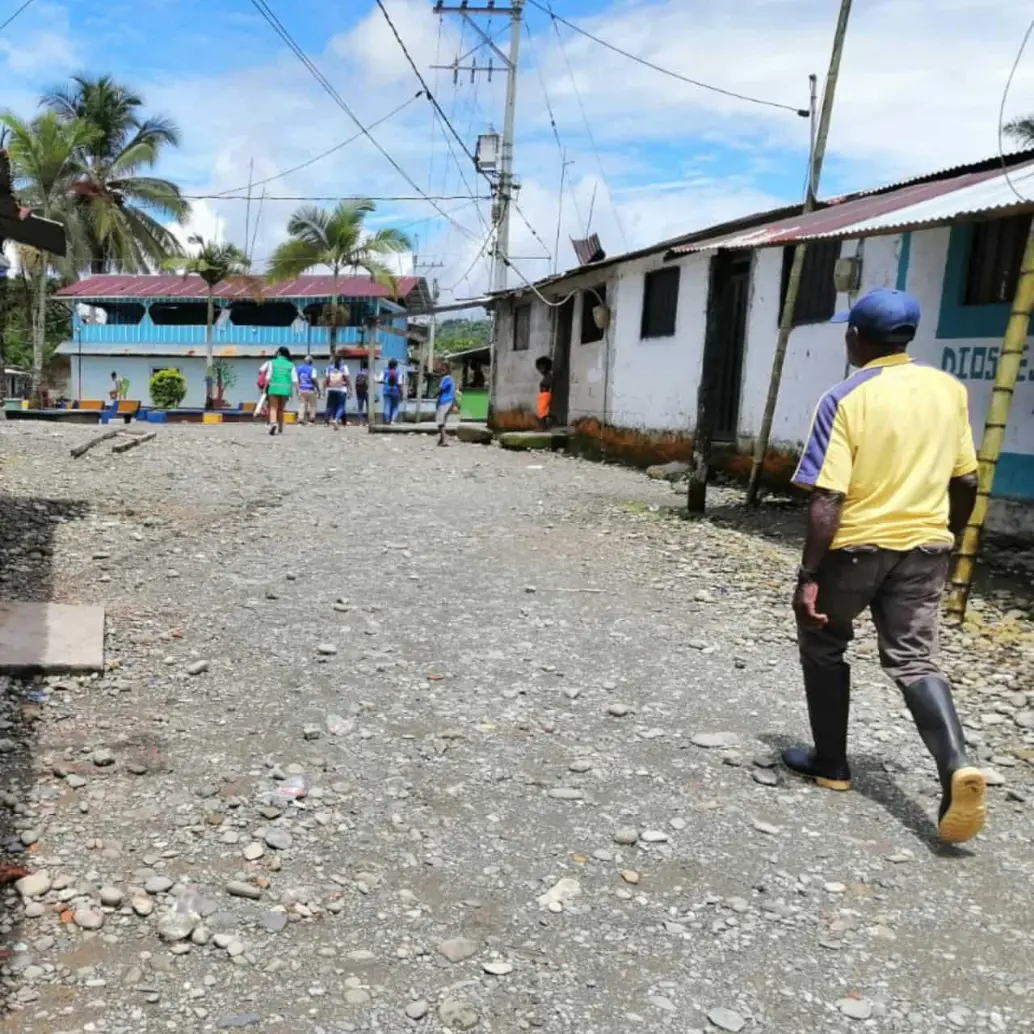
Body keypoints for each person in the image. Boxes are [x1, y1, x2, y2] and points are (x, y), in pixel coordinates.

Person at [785, 288, 984, 844]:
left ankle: (831, 765)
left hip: (856, 550)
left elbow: (828, 497)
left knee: (824, 640)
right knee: (915, 660)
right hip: (925, 548)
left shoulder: (846, 397)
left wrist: (807, 577)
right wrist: (952, 533)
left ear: (856, 337)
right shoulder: (949, 390)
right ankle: (956, 766)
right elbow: (965, 480)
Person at [265, 346, 297, 436]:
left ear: (278, 353)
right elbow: (295, 379)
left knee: (273, 408)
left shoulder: (272, 362)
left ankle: (273, 424)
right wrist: (297, 390)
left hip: (274, 388)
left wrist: (264, 388)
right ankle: (280, 428)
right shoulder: (291, 364)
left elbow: (268, 377)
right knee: (281, 409)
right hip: (285, 389)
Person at [324, 356, 349, 428]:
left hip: (331, 389)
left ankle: (329, 420)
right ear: (341, 360)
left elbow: (326, 379)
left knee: (331, 406)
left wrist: (324, 389)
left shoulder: (329, 368)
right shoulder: (344, 368)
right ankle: (336, 419)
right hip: (342, 389)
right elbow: (347, 379)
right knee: (341, 406)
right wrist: (350, 388)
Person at [435, 368, 457, 447]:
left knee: (441, 422)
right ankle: (441, 440)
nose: (441, 371)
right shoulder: (452, 379)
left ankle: (444, 439)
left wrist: (435, 395)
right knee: (442, 421)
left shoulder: (446, 378)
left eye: (443, 370)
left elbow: (441, 389)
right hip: (449, 401)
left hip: (445, 401)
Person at [296, 354, 319, 425]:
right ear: (311, 361)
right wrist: (318, 388)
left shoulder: (299, 368)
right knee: (312, 405)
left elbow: (297, 379)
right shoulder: (312, 369)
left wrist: (297, 388)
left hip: (302, 388)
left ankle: (300, 419)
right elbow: (314, 378)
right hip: (310, 389)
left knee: (302, 404)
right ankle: (311, 420)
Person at [381, 358, 404, 425]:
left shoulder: (385, 371)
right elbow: (400, 383)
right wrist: (401, 392)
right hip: (396, 391)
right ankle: (393, 421)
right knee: (395, 406)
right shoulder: (399, 371)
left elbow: (380, 379)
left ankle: (387, 420)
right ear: (396, 365)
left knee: (387, 405)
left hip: (386, 391)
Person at [535, 356, 553, 428]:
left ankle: (543, 426)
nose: (540, 370)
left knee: (542, 412)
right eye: (540, 368)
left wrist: (544, 388)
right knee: (542, 411)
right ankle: (544, 425)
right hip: (543, 395)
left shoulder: (549, 376)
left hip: (545, 394)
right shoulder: (546, 376)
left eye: (542, 367)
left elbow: (549, 384)